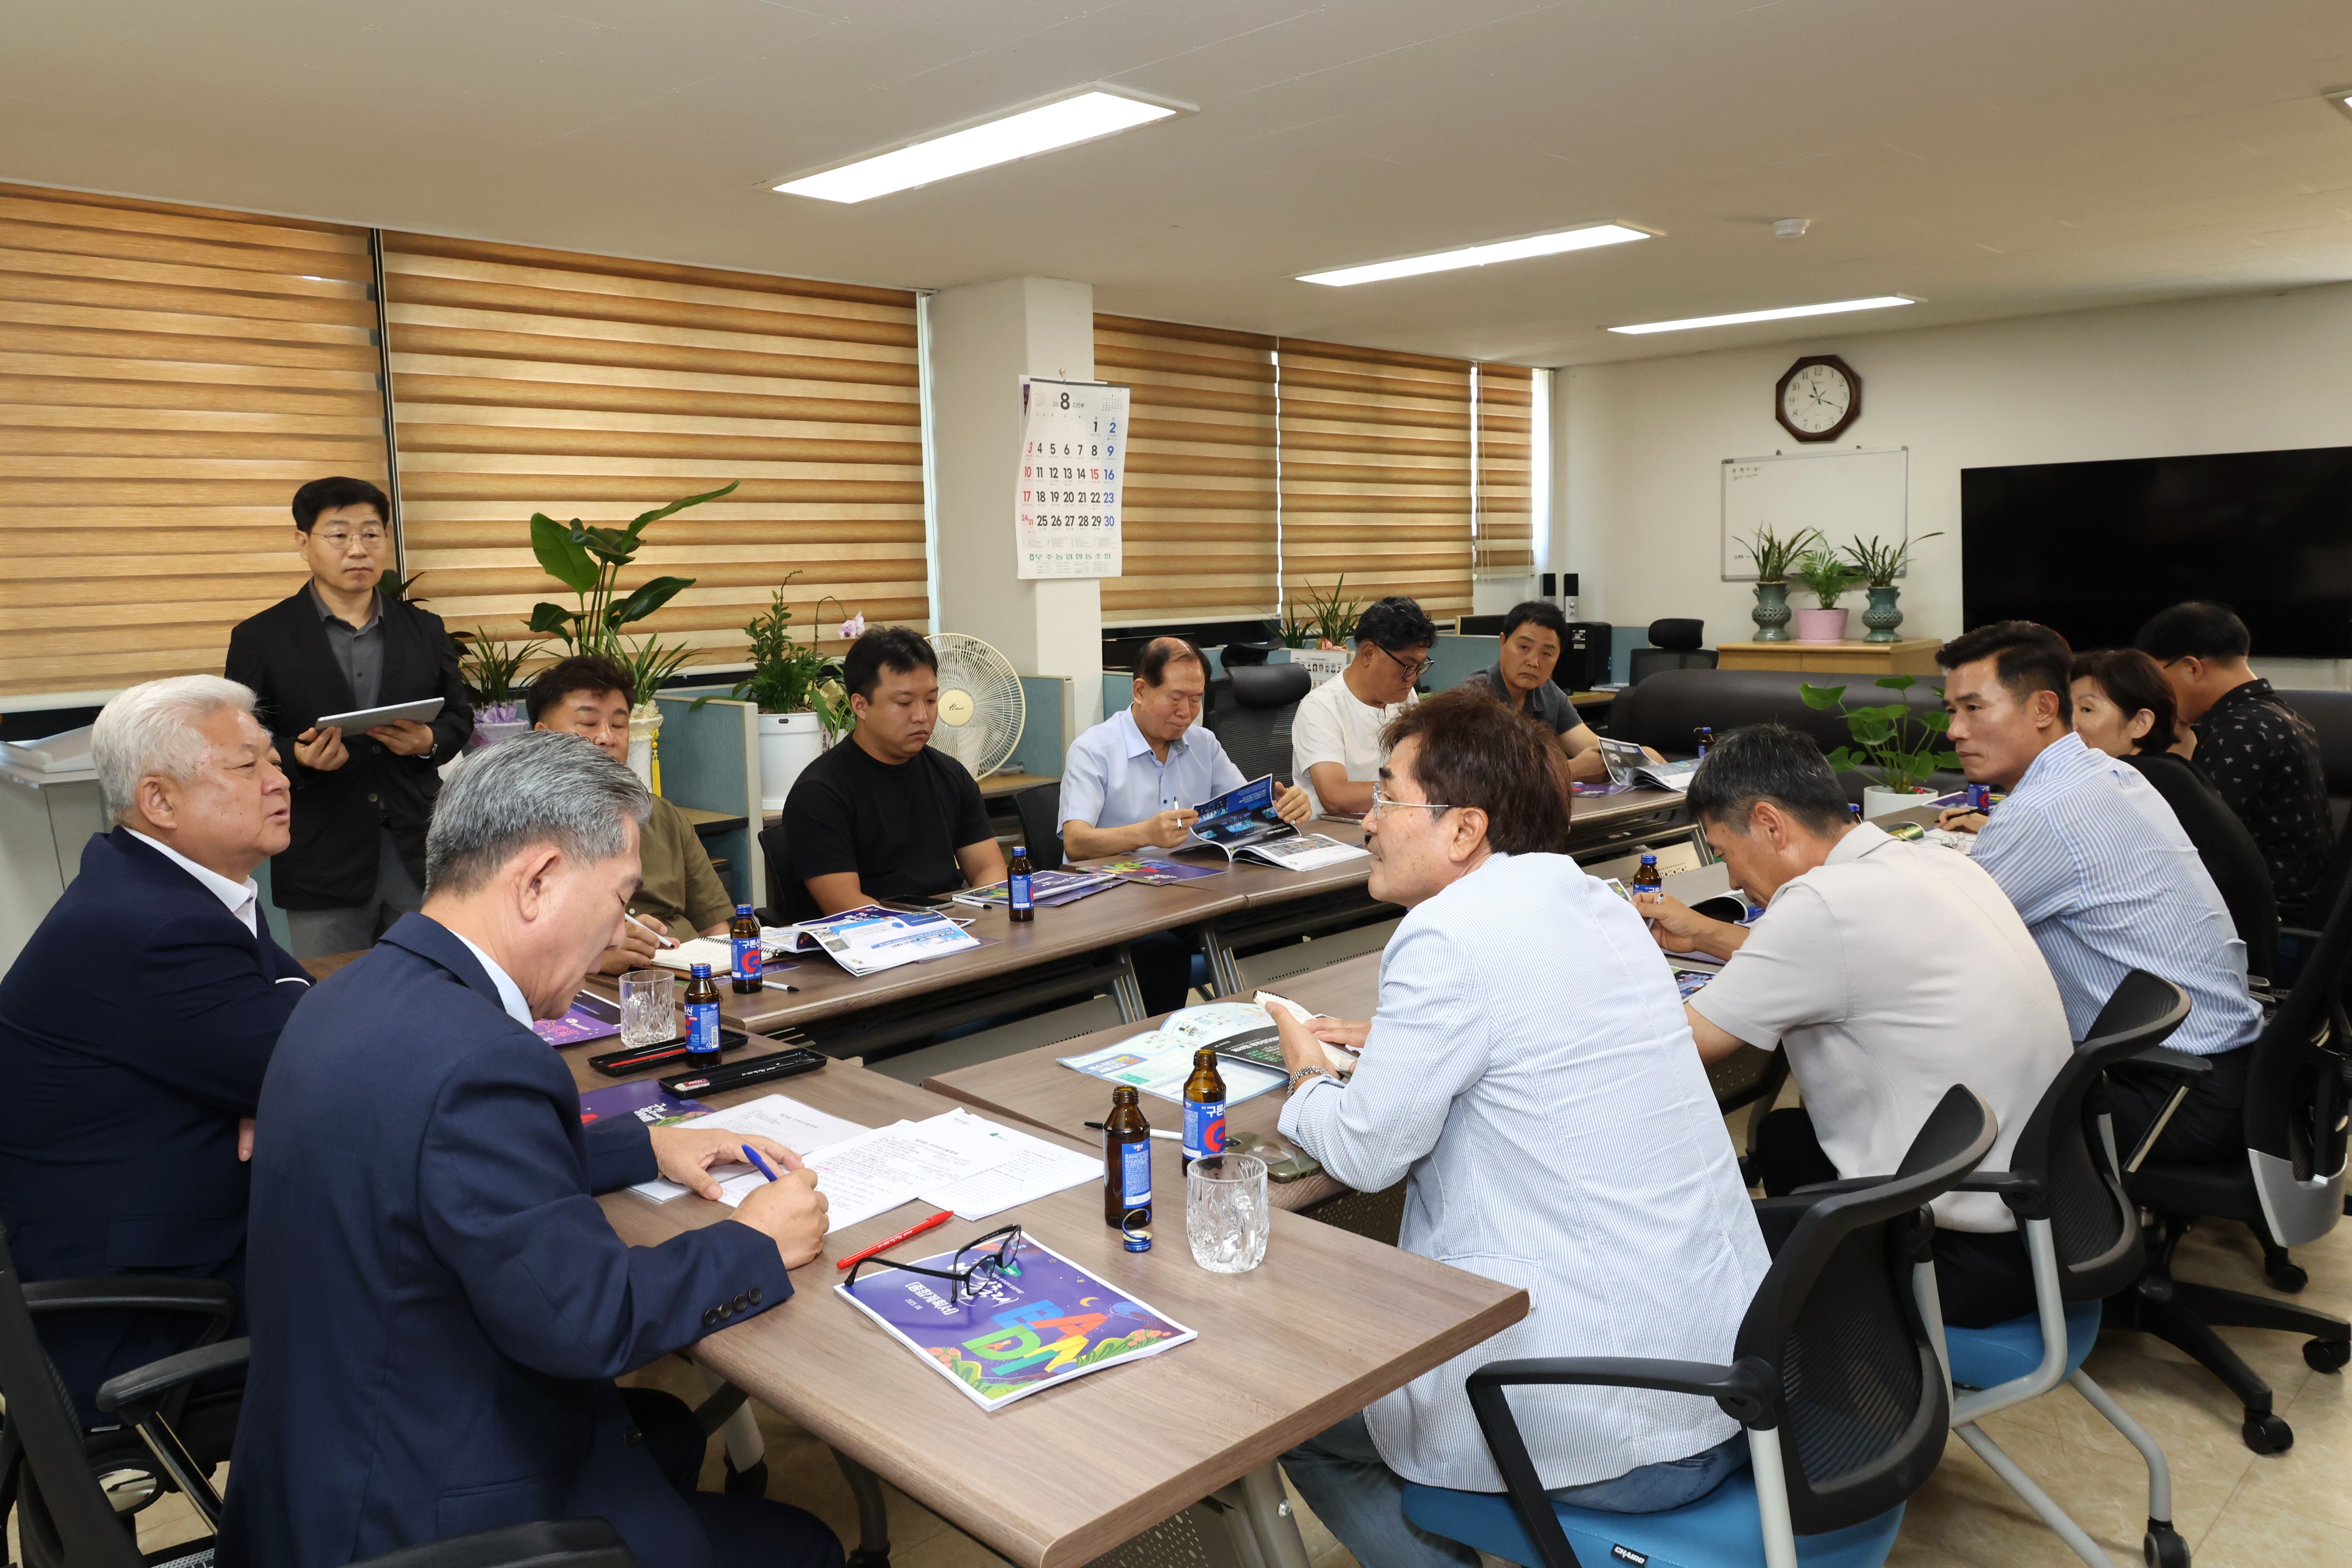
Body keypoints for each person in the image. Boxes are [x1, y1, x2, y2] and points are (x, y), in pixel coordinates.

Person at [218, 732, 840, 1568]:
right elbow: (591, 1320)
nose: (624, 929)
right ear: (539, 879)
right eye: (620, 896)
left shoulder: (357, 988)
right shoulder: (482, 1056)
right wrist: (755, 1241)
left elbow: (424, 1166)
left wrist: (645, 1149)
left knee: (660, 1435)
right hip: (418, 1507)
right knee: (801, 1546)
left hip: (326, 1454)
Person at [1269, 691, 1767, 1567]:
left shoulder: (1447, 933)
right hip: (1737, 1382)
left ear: (1463, 830)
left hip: (1616, 1417)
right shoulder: (1599, 903)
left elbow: (1366, 1150)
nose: (1370, 822)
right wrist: (1419, 1048)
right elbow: (1548, 1038)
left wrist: (1306, 1068)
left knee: (1298, 1418)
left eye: (1388, 796)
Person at [1633, 724, 2072, 1329]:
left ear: (1769, 823)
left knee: (1701, 1255)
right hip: (2039, 1217)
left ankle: (1833, 1362)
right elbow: (1830, 958)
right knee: (1787, 1137)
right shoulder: (1928, 861)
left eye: (1727, 852)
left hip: (1957, 1255)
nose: (1731, 880)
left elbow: (1678, 1043)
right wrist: (1707, 932)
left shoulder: (1822, 905)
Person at [0, 676, 310, 1421]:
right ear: (159, 800)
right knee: (436, 1308)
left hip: (170, 1249)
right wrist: (279, 1082)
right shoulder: (152, 925)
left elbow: (289, 994)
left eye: (273, 758)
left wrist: (270, 1080)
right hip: (147, 1319)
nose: (280, 780)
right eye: (247, 767)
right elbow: (328, 1067)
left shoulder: (168, 883)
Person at [1936, 621, 2261, 1165]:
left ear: (2043, 708)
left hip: (2172, 1096)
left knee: (1936, 1114)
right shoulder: (2109, 775)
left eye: (1973, 708)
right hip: (2225, 1071)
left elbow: (1937, 943)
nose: (1955, 731)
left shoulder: (2045, 811)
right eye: (1951, 711)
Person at [224, 476, 472, 960]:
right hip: (321, 852)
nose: (358, 549)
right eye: (339, 535)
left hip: (417, 847)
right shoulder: (261, 638)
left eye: (371, 534)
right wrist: (297, 758)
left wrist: (426, 740)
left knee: (436, 983)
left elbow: (459, 717)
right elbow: (241, 742)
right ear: (303, 542)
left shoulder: (423, 628)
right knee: (333, 994)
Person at [1061, 636, 1311, 1011]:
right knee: (1162, 954)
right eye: (1176, 698)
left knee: (1270, 929)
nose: (1188, 711)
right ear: (1141, 690)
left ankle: (1271, 1029)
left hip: (1191, 893)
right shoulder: (1094, 751)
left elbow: (1247, 811)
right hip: (1119, 905)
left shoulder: (1203, 743)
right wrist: (1144, 833)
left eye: (1197, 699)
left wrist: (1284, 806)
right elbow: (1075, 843)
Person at [2070, 648, 2278, 980]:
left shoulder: (2127, 781)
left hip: (2214, 986)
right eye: (2068, 711)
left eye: (2087, 709)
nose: (2072, 726)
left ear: (2140, 723)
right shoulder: (2170, 771)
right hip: (2243, 974)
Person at [780, 626, 1006, 923]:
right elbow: (848, 907)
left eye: (930, 700)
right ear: (860, 705)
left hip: (953, 932)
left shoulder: (952, 775)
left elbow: (990, 870)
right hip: (870, 947)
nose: (922, 716)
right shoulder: (819, 793)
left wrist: (982, 916)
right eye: (904, 703)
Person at [528, 653, 736, 974]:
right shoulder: (518, 829)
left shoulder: (662, 816)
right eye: (588, 724)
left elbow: (715, 931)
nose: (607, 738)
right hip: (589, 991)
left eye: (619, 725)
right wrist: (596, 958)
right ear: (542, 736)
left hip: (690, 981)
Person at [2134, 601, 2332, 920]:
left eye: (2157, 679)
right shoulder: (2280, 715)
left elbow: (2187, 844)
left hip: (2267, 929)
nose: (2153, 694)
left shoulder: (2237, 731)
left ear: (2192, 668)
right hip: (2297, 919)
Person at [1456, 600, 1653, 781]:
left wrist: (1638, 757)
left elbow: (1592, 747)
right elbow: (1484, 777)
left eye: (1547, 653)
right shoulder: (1477, 694)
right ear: (1503, 642)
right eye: (1524, 647)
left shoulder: (1548, 693)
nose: (1534, 662)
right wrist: (1569, 770)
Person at [1291, 595, 1437, 817]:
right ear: (1369, 653)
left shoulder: (1405, 697)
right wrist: (1409, 791)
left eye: (1420, 666)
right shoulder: (1320, 708)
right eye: (1408, 666)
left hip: (1388, 822)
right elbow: (1335, 796)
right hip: (1335, 833)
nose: (1413, 677)